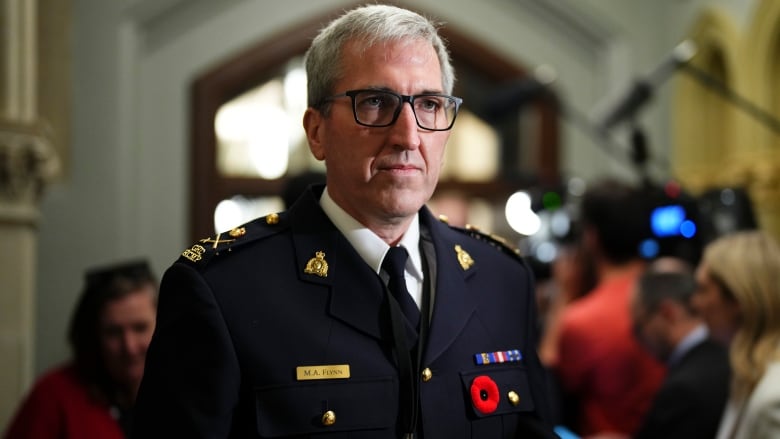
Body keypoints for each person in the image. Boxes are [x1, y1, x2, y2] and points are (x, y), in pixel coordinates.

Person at [132, 4, 556, 438]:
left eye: (429, 104)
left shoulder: (501, 279)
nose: (408, 136)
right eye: (375, 102)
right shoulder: (224, 290)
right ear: (317, 132)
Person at [553, 179, 665, 437]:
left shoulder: (582, 320)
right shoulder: (671, 297)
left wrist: (563, 295)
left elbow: (547, 384)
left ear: (591, 237)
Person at [3, 259, 157, 439]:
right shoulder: (53, 396)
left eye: (140, 328)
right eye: (113, 332)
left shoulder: (181, 391)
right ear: (94, 334)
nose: (129, 347)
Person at [691, 230, 780, 439]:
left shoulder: (773, 396)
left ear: (738, 299)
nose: (695, 303)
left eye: (703, 290)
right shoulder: (748, 372)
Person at [631, 258, 730, 439]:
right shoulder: (727, 353)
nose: (640, 338)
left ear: (667, 312)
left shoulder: (683, 390)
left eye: (639, 326)